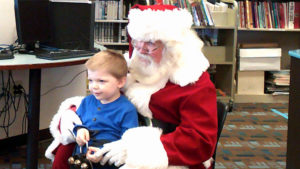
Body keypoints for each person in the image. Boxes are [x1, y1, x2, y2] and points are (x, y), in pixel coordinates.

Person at [85, 4, 218, 169]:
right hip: (120, 136)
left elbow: (200, 141)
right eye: (137, 41)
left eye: (150, 43)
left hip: (169, 156)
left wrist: (137, 150)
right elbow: (104, 96)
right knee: (69, 148)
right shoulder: (132, 67)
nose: (140, 49)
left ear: (172, 48)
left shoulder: (193, 81)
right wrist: (72, 114)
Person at [45, 50, 139, 169]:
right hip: (80, 157)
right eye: (91, 80)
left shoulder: (127, 109)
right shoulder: (87, 101)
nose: (94, 86)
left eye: (101, 81)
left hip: (107, 161)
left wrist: (103, 153)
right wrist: (79, 130)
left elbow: (129, 143)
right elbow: (76, 122)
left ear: (120, 82)